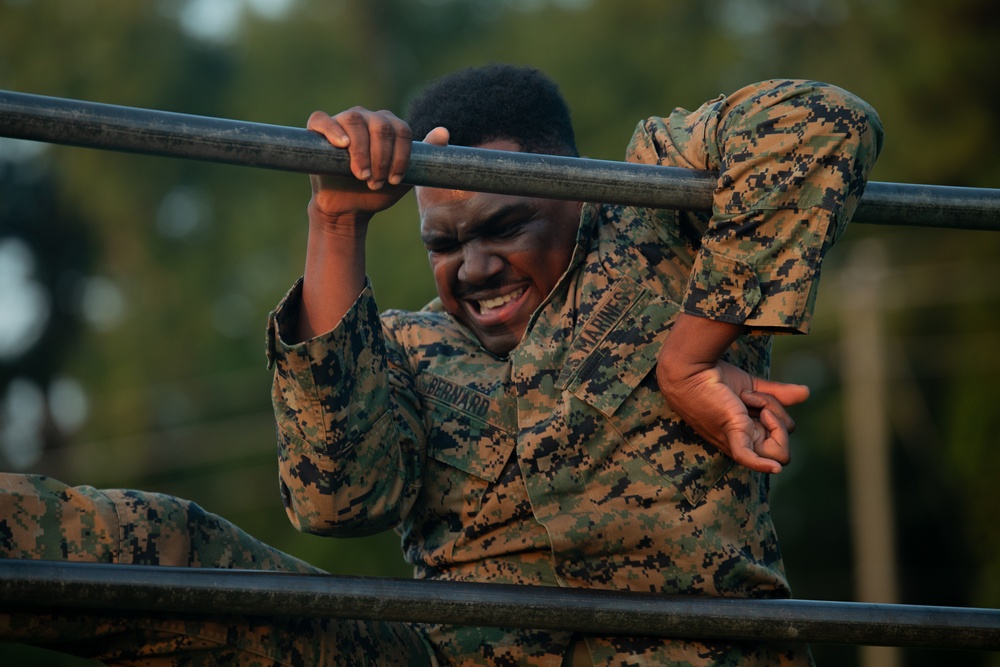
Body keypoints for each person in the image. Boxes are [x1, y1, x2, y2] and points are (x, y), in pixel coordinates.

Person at [1, 64, 883, 666]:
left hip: (692, 652)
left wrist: (689, 359)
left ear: (578, 188)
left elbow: (825, 122)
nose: (474, 267)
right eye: (444, 243)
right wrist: (338, 222)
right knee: (160, 549)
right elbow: (337, 500)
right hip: (452, 657)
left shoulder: (658, 228)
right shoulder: (411, 348)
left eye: (504, 228)